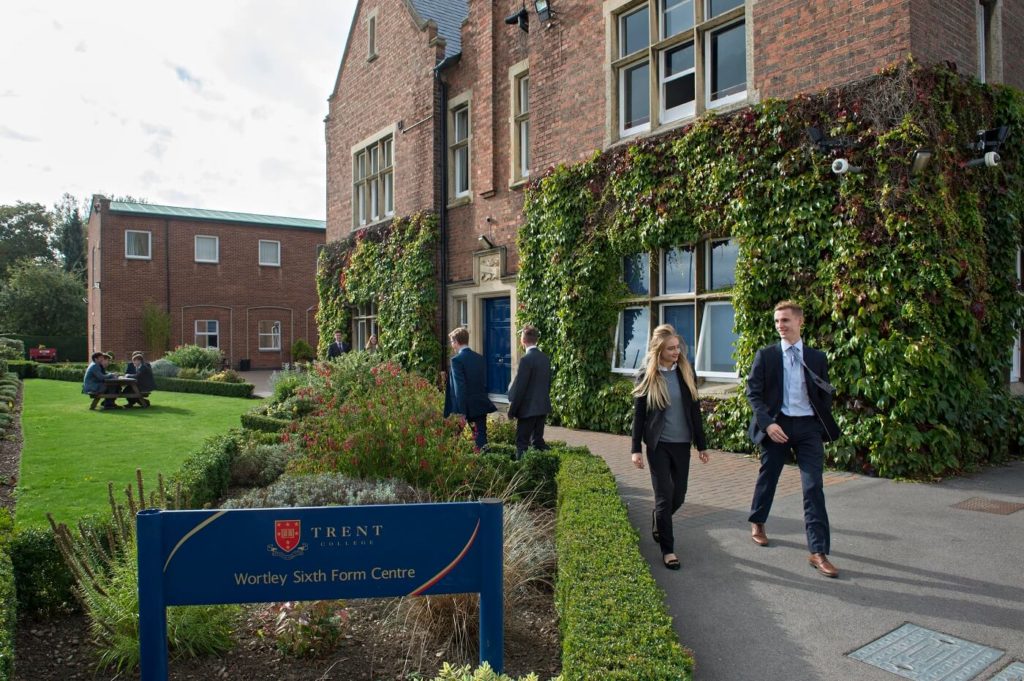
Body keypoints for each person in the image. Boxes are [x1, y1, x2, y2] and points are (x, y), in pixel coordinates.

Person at [746, 300, 842, 578]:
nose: (780, 326)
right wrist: (768, 424)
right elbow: (753, 393)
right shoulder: (766, 355)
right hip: (778, 425)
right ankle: (758, 521)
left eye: (785, 320)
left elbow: (823, 393)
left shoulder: (817, 358)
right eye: (777, 321)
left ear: (800, 322)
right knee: (770, 475)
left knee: (814, 487)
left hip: (808, 428)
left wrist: (818, 421)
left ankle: (818, 552)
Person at [630, 324, 709, 571]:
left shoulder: (686, 372)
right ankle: (668, 550)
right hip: (658, 445)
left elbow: (694, 411)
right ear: (659, 350)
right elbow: (639, 416)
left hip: (682, 443)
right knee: (664, 495)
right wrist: (635, 449)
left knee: (680, 494)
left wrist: (702, 445)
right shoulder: (647, 376)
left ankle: (659, 518)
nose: (677, 352)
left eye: (678, 347)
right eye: (671, 348)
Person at [443, 327, 496, 450]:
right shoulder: (480, 358)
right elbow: (484, 383)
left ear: (456, 342)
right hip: (479, 405)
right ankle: (486, 465)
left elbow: (459, 388)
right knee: (481, 439)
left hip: (462, 407)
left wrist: (462, 413)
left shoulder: (456, 360)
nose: (452, 345)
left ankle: (452, 466)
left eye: (452, 342)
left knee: (452, 440)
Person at [507, 324, 551, 459]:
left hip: (527, 411)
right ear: (536, 340)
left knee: (522, 445)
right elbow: (547, 384)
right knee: (538, 443)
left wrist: (512, 411)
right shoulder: (545, 358)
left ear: (523, 340)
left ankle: (522, 476)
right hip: (542, 408)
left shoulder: (526, 360)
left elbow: (520, 388)